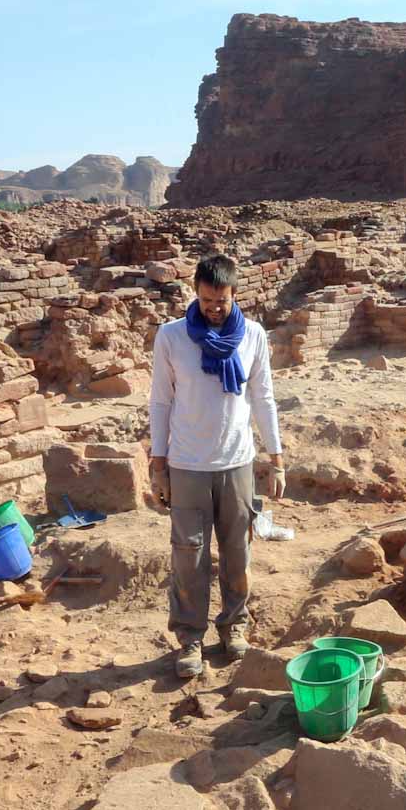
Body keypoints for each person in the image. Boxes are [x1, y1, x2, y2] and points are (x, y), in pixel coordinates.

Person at [148, 254, 285, 679]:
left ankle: (234, 626)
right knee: (188, 556)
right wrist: (158, 462)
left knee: (237, 552)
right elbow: (161, 401)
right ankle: (189, 640)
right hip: (187, 463)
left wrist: (276, 457)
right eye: (207, 299)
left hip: (237, 463)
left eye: (222, 300)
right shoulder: (171, 337)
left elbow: (262, 398)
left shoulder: (253, 336)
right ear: (196, 292)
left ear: (234, 294)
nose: (214, 308)